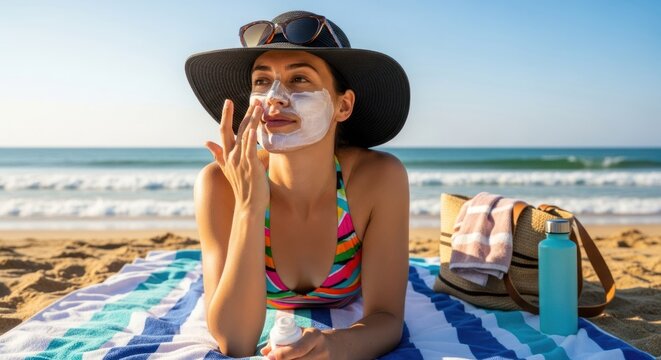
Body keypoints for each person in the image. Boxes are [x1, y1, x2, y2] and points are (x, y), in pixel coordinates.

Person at [187, 10, 411, 359]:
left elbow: (388, 319)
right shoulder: (219, 183)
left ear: (343, 105)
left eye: (300, 80)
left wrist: (331, 346)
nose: (274, 97)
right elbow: (236, 342)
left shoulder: (378, 179)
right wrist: (248, 207)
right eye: (262, 82)